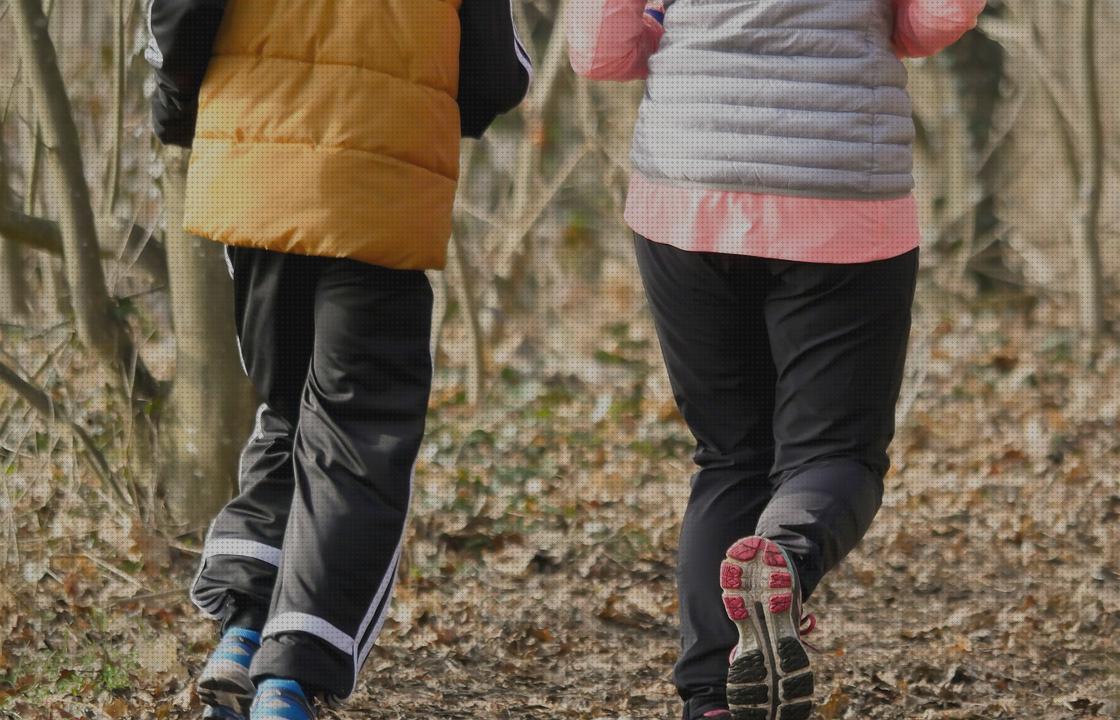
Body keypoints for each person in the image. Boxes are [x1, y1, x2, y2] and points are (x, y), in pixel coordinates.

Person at [567, 0, 986, 718]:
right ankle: (782, 558)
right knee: (837, 453)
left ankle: (711, 698)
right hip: (841, 184)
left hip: (689, 175)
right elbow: (936, 20)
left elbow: (599, 48)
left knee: (730, 453)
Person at [146, 1, 530, 718]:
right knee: (355, 437)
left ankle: (242, 630)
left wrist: (178, 107)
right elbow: (499, 72)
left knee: (286, 410)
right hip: (380, 182)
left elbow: (178, 14)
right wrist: (434, 105)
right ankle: (287, 682)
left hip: (256, 170)